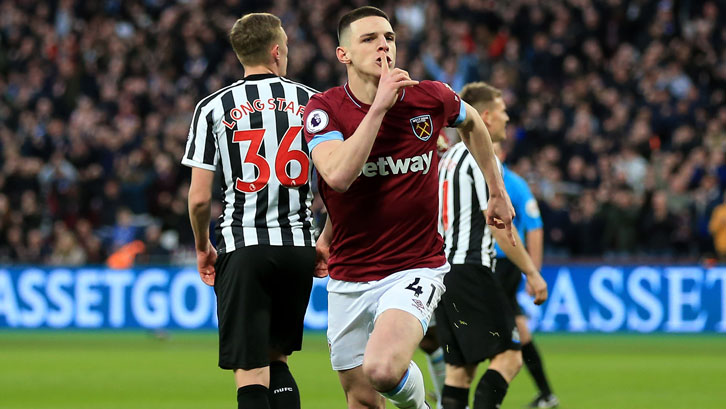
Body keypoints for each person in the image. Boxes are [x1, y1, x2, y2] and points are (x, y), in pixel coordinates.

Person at [302, 7, 517, 409]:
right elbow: (339, 177)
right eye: (368, 39)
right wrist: (328, 236)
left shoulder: (428, 97)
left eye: (389, 37)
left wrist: (497, 190)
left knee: (383, 369)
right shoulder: (324, 110)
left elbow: (472, 123)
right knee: (362, 400)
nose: (383, 45)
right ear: (343, 54)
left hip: (415, 266)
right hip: (349, 274)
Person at [183, 13, 321, 409]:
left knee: (250, 369)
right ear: (277, 51)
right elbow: (335, 185)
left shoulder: (212, 108)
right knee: (277, 359)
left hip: (243, 247)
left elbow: (197, 199)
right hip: (298, 247)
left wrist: (201, 246)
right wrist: (325, 239)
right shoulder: (312, 102)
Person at [436, 81, 548, 409]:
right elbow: (500, 229)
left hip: (443, 274)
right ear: (484, 117)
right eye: (501, 111)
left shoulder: (446, 161)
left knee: (460, 373)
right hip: (472, 269)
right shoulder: (482, 160)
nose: (508, 118)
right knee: (510, 358)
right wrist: (532, 273)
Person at [493, 143, 559, 408]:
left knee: (483, 326)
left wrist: (534, 272)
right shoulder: (473, 178)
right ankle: (546, 394)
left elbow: (535, 227)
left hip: (502, 264)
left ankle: (461, 393)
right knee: (519, 327)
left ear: (503, 154)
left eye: (493, 148)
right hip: (487, 263)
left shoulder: (515, 184)